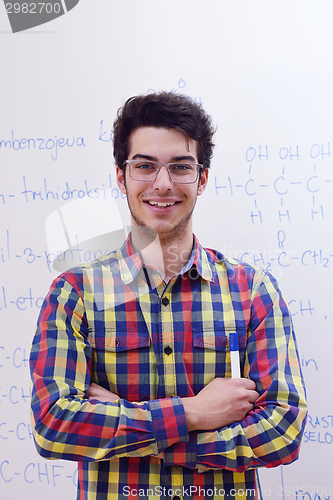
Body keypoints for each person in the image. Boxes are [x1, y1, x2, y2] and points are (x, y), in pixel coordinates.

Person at [30, 92, 307, 500]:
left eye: (180, 167)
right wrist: (196, 413)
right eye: (144, 166)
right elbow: (55, 426)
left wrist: (147, 431)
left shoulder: (252, 291)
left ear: (203, 178)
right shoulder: (77, 293)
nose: (163, 183)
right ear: (122, 177)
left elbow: (284, 431)